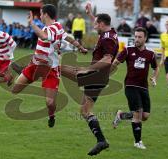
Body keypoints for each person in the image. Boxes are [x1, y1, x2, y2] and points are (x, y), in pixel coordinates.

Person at [11, 4, 87, 128]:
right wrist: (80, 47)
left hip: (51, 70)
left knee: (50, 103)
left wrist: (31, 23)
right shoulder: (52, 27)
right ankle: (23, 71)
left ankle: (51, 115)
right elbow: (67, 38)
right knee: (15, 90)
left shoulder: (51, 28)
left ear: (46, 14)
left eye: (41, 14)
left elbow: (45, 36)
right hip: (34, 66)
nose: (40, 16)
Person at [61, 3, 119, 156]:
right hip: (100, 77)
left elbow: (107, 60)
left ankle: (30, 73)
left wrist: (87, 69)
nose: (94, 25)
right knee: (85, 110)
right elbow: (100, 25)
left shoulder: (107, 39)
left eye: (95, 23)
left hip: (96, 75)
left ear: (101, 24)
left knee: (59, 68)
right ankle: (101, 141)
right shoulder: (110, 33)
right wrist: (90, 15)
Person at [111, 27, 159, 149]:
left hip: (144, 87)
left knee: (145, 116)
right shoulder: (127, 50)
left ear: (145, 38)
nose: (136, 39)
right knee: (137, 113)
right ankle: (137, 142)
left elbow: (156, 68)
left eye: (139, 37)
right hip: (130, 86)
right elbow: (115, 63)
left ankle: (121, 115)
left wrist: (154, 78)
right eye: (135, 36)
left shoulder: (150, 54)